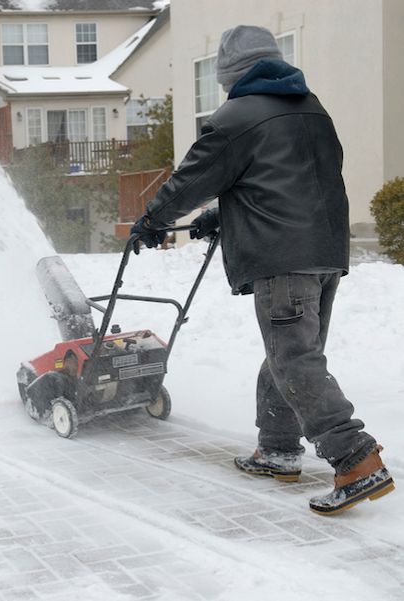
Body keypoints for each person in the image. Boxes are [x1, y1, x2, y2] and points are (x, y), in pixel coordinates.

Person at [131, 25, 394, 515]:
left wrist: (152, 221)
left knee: (294, 359)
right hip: (325, 251)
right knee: (292, 352)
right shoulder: (312, 108)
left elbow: (192, 181)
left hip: (283, 256)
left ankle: (355, 457)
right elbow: (285, 180)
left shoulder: (237, 116)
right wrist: (224, 216)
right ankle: (277, 447)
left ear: (230, 73)